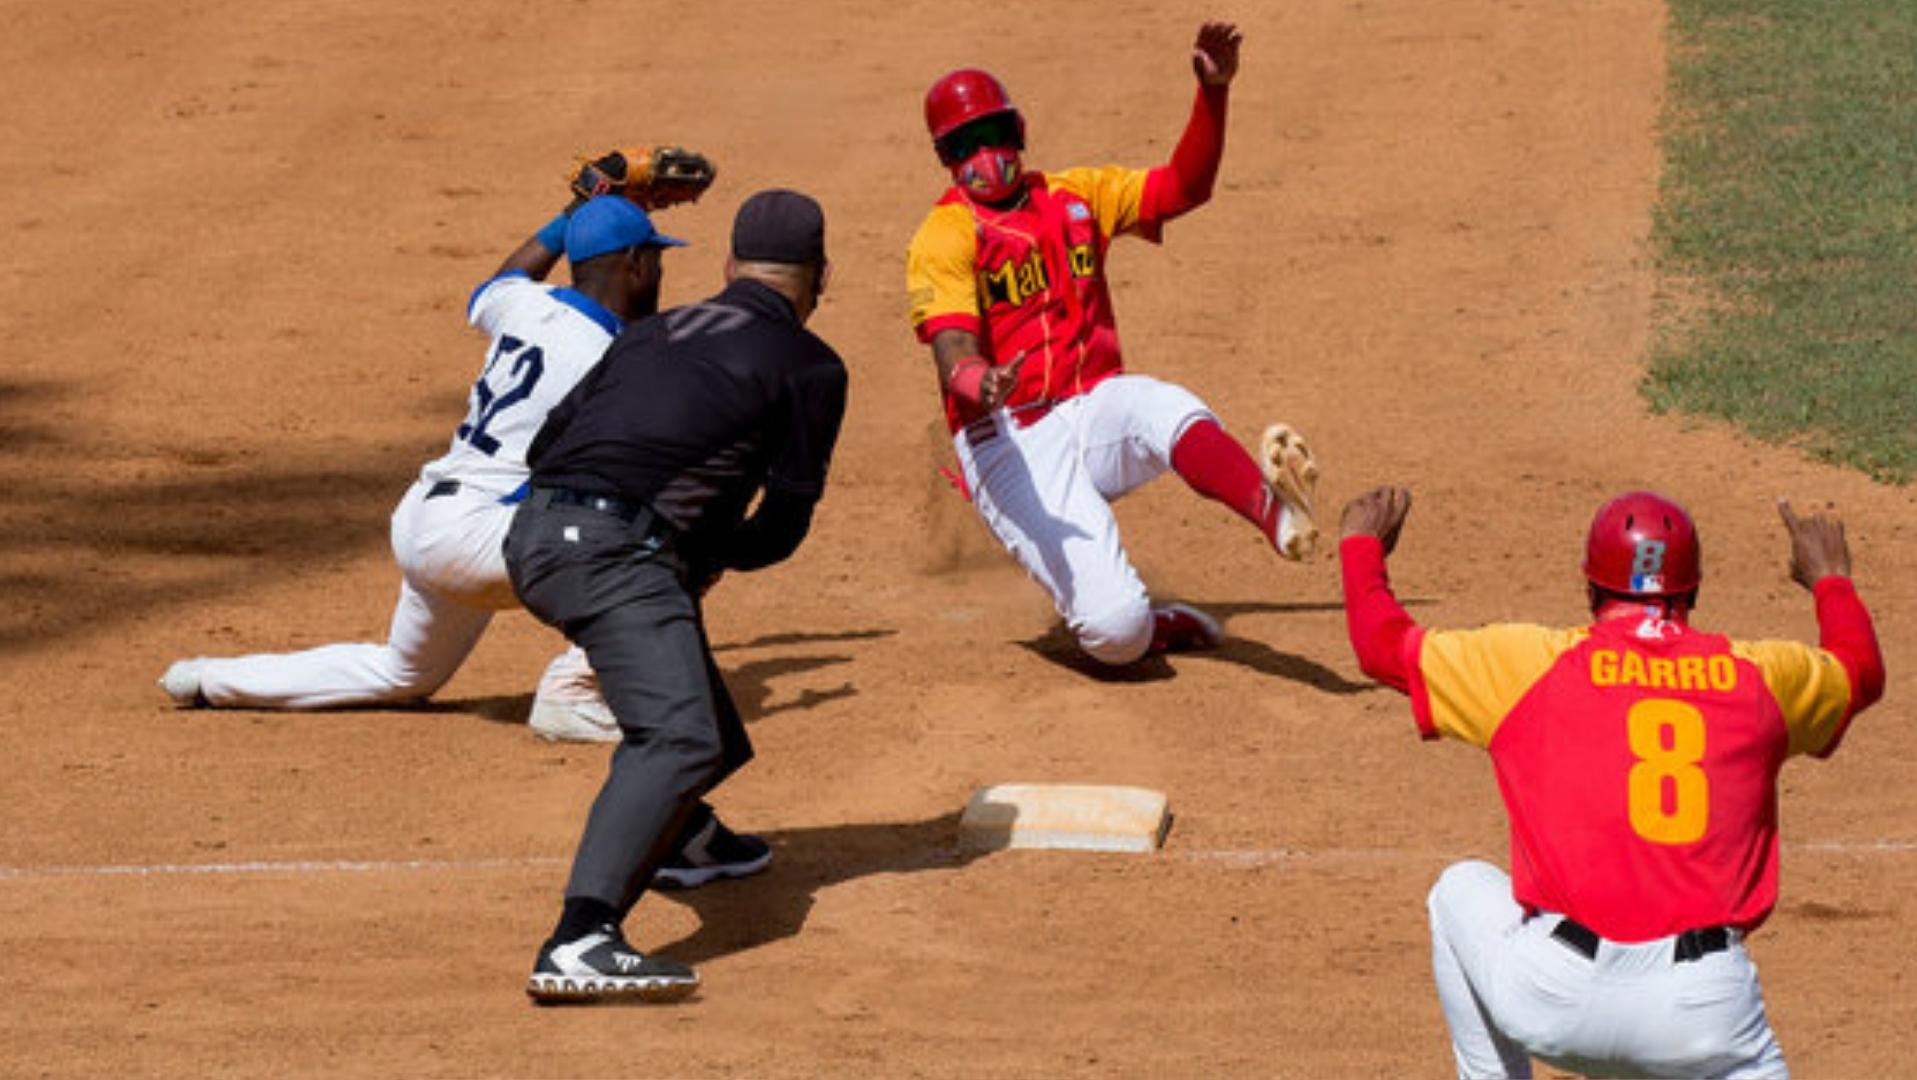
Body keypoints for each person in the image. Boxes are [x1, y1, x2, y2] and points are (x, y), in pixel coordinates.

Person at [158, 157, 719, 745]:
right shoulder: (617, 357)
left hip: (424, 517)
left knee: (402, 672)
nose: (659, 268)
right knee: (674, 527)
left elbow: (500, 281)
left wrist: (573, 216)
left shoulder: (527, 308)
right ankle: (572, 690)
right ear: (634, 263)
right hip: (484, 539)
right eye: (655, 256)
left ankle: (205, 678)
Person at [1338, 485, 1885, 1078]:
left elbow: (1382, 646)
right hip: (1704, 1017)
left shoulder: (1531, 665)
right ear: (1695, 590)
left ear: (1590, 587)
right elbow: (1860, 671)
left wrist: (1361, 545)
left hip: (1555, 997)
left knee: (1457, 892)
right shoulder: (1761, 678)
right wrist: (1830, 579)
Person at [508, 189, 846, 1003]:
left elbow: (551, 446)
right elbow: (785, 524)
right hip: (615, 554)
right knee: (680, 742)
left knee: (715, 740)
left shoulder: (651, 331)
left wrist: (672, 547)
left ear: (729, 268)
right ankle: (580, 938)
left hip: (531, 538)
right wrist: (704, 548)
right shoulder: (812, 366)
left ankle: (684, 840)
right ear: (821, 277)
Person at [904, 21, 1321, 666]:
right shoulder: (945, 235)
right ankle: (1146, 622)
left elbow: (1185, 187)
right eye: (965, 145)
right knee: (1117, 634)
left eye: (993, 135)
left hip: (1091, 408)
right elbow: (953, 345)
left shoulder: (1077, 196)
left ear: (1018, 133)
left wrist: (1213, 93)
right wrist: (979, 382)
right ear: (948, 160)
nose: (985, 154)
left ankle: (1274, 512)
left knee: (1163, 406)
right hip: (1008, 442)